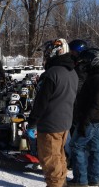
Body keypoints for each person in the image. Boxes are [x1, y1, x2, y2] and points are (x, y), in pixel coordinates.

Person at [26, 38, 78, 187]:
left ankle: (56, 184)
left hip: (50, 124)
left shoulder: (51, 74)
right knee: (59, 156)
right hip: (64, 122)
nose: (46, 56)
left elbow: (41, 102)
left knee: (50, 160)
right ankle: (62, 183)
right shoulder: (72, 71)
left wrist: (32, 123)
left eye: (48, 52)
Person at [68, 48, 99, 187]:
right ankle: (93, 180)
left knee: (76, 146)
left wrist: (84, 122)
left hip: (90, 119)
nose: (84, 63)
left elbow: (97, 103)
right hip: (93, 118)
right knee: (94, 149)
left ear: (94, 61)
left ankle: (80, 181)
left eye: (87, 60)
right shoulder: (95, 74)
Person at [67, 39, 89, 168]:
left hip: (79, 103)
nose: (71, 54)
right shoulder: (76, 64)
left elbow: (77, 87)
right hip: (75, 103)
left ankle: (76, 161)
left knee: (75, 131)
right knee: (73, 129)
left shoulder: (81, 67)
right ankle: (75, 157)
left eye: (73, 52)